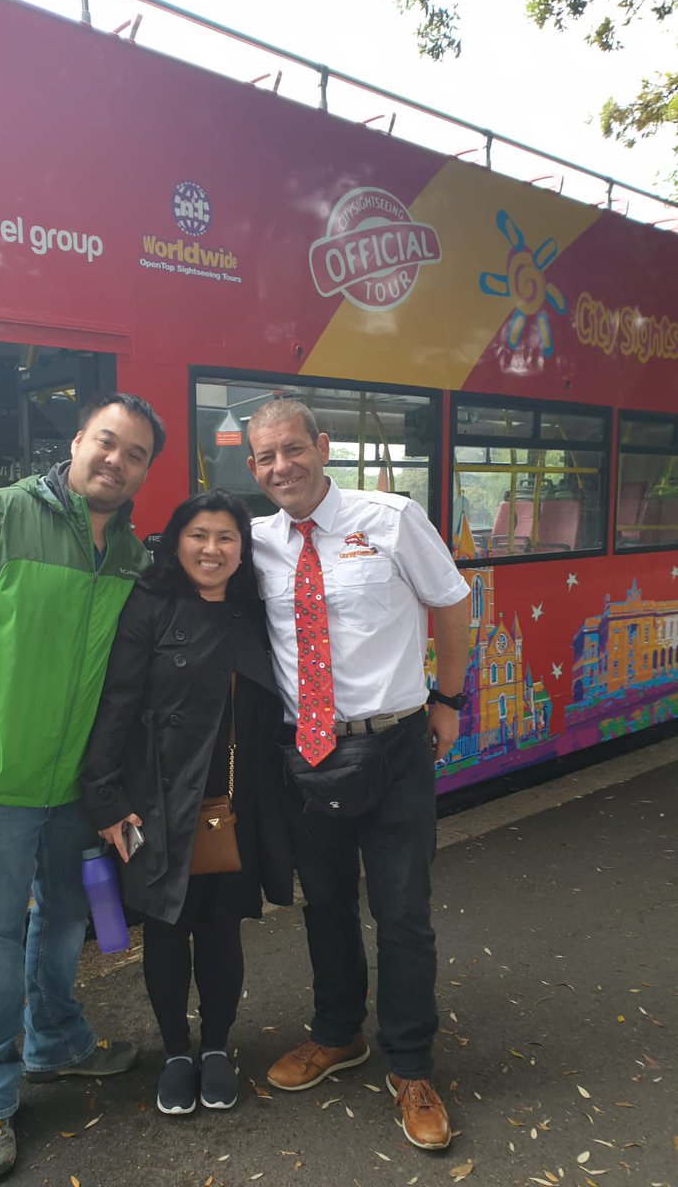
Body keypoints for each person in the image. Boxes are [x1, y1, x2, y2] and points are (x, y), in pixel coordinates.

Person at [0, 393, 166, 1182]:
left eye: (134, 455)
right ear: (79, 441)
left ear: (144, 472)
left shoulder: (133, 559)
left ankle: (56, 1042)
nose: (115, 462)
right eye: (106, 443)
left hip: (77, 790)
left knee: (63, 918)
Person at [245, 399, 470, 1152]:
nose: (282, 466)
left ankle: (410, 1066)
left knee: (403, 912)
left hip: (396, 747)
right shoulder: (256, 542)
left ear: (322, 446)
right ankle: (338, 1033)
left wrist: (449, 697)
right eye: (266, 457)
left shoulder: (393, 518)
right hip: (307, 756)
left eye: (293, 449)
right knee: (328, 904)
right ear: (253, 468)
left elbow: (452, 602)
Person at [82, 488, 293, 1117]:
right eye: (198, 535)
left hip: (233, 799)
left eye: (226, 537)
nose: (212, 549)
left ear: (242, 548)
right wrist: (106, 799)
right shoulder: (149, 605)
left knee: (222, 931)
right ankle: (177, 1052)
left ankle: (219, 1048)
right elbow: (115, 705)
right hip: (156, 801)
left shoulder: (255, 609)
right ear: (176, 542)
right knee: (168, 935)